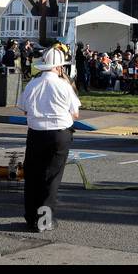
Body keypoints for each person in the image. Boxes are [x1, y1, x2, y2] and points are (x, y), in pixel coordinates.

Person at [16, 46, 80, 232]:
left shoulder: (32, 84)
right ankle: (45, 220)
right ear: (59, 67)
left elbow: (24, 108)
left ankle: (31, 218)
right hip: (59, 134)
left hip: (36, 133)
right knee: (51, 178)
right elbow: (75, 114)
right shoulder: (64, 86)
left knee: (33, 176)